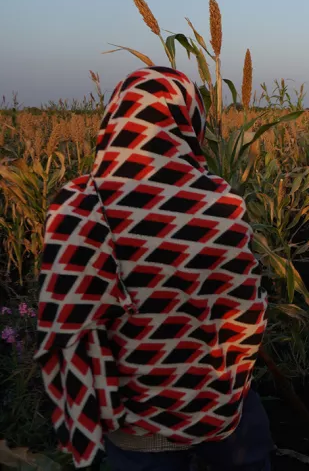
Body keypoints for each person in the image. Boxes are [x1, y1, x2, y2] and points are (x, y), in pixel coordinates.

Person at [35, 67, 271, 470]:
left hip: (134, 426)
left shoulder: (77, 208)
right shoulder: (222, 206)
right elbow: (247, 312)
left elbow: (67, 322)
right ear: (187, 122)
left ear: (116, 118)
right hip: (220, 409)